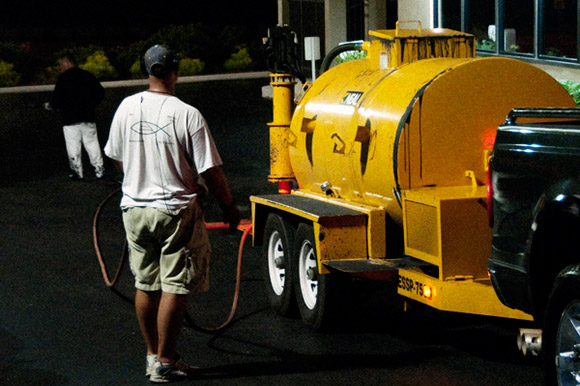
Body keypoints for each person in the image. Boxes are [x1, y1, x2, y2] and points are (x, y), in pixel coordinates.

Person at [103, 45, 240, 383]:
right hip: (175, 211)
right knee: (175, 286)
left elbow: (116, 157)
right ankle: (166, 360)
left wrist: (136, 175)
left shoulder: (125, 108)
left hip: (134, 209)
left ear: (146, 71)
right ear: (175, 71)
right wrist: (229, 208)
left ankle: (153, 356)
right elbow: (211, 171)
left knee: (146, 284)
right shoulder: (186, 113)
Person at [46, 54, 106, 181]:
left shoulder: (63, 79)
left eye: (62, 64)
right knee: (92, 143)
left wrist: (51, 106)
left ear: (67, 64)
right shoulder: (87, 75)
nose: (61, 67)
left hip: (70, 118)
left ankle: (78, 172)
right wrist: (92, 105)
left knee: (73, 145)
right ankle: (99, 170)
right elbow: (100, 92)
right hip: (87, 115)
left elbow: (56, 99)